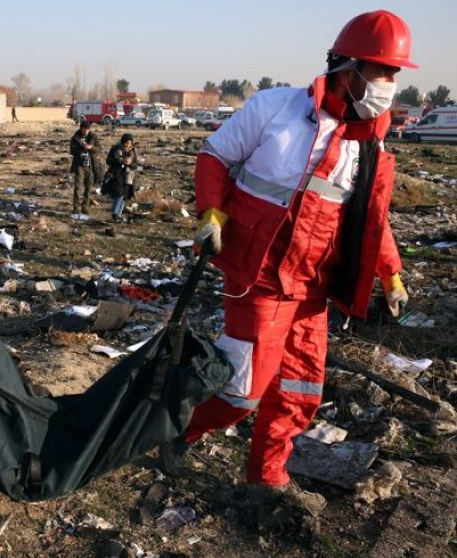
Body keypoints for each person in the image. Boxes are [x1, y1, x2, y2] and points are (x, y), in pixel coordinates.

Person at [162, 10, 416, 516]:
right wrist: (211, 213)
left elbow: (372, 218)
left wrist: (391, 272)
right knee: (242, 390)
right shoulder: (275, 110)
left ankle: (266, 476)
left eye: (395, 75)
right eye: (383, 72)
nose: (389, 85)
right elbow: (214, 155)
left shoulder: (370, 144)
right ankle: (179, 430)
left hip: (313, 289)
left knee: (299, 391)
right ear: (349, 67)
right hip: (256, 276)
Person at [69, 121, 101, 216]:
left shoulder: (94, 137)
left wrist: (91, 147)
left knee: (88, 187)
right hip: (79, 166)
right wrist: (81, 149)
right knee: (78, 187)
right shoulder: (75, 138)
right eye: (83, 131)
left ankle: (85, 206)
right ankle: (76, 207)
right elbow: (72, 151)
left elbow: (99, 149)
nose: (85, 132)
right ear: (80, 129)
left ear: (89, 130)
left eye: (86, 131)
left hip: (90, 166)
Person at [104, 133, 137, 222]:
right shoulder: (115, 149)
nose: (128, 145)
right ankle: (115, 214)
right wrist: (120, 160)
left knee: (124, 196)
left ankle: (119, 214)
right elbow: (108, 161)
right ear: (123, 142)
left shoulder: (132, 152)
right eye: (127, 143)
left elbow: (135, 165)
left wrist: (129, 163)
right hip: (116, 174)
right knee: (118, 194)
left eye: (130, 143)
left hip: (128, 176)